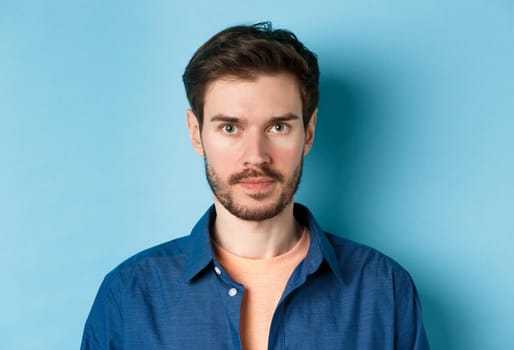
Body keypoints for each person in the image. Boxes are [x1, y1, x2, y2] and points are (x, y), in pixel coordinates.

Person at [81, 22, 430, 350]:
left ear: (308, 132)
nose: (256, 156)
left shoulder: (384, 289)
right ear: (195, 132)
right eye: (230, 128)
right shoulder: (129, 295)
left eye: (278, 127)